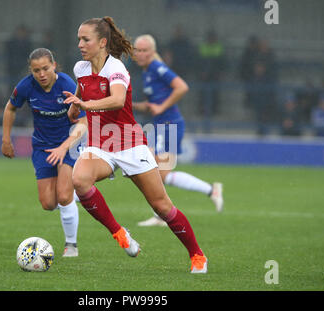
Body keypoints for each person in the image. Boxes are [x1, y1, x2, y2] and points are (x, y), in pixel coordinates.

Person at [64, 16, 208, 273]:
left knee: (161, 206)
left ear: (102, 42)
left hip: (129, 144)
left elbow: (118, 100)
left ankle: (197, 255)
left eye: (85, 39)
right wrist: (75, 106)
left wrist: (85, 105)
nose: (80, 44)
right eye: (79, 39)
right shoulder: (81, 68)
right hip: (99, 144)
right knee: (79, 180)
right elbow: (83, 90)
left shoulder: (116, 68)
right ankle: (120, 234)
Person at [2, 48, 87, 257]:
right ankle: (73, 196)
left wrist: (64, 146)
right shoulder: (26, 86)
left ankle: (71, 245)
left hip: (69, 143)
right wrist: (6, 139)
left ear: (54, 66)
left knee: (64, 196)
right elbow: (10, 108)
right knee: (49, 203)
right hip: (42, 145)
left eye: (45, 68)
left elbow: (84, 122)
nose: (41, 74)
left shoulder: (68, 85)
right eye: (36, 70)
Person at [132, 34, 223, 228]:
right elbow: (151, 105)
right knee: (154, 172)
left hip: (169, 125)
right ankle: (159, 216)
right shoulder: (148, 71)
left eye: (144, 50)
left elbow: (182, 87)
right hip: (161, 125)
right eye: (137, 50)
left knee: (161, 174)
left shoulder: (157, 68)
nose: (140, 54)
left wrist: (162, 107)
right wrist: (129, 105)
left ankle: (211, 190)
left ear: (153, 52)